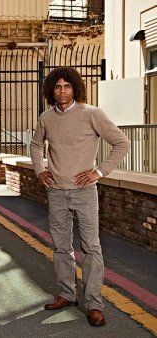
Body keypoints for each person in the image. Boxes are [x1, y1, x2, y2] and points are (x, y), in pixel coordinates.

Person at [31, 67, 130, 327]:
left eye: (67, 86)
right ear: (51, 90)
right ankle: (66, 294)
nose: (62, 91)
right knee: (61, 247)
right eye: (57, 87)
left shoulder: (92, 114)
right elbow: (36, 144)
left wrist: (99, 172)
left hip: (84, 192)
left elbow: (122, 143)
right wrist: (40, 170)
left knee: (91, 248)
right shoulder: (46, 117)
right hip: (56, 192)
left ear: (75, 88)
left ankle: (94, 304)